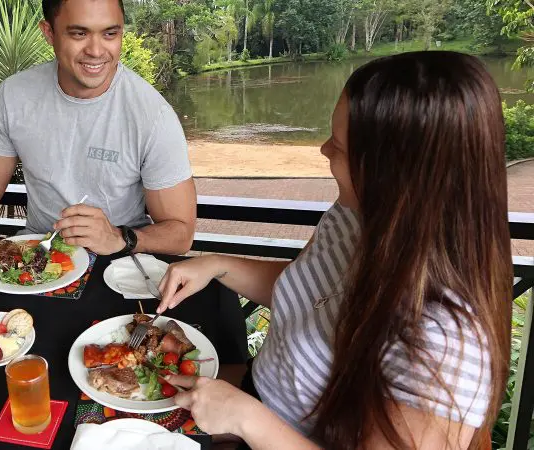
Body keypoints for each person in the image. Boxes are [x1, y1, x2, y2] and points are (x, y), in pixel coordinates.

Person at [156, 52, 512, 449]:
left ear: (391, 172)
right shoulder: (353, 214)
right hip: (250, 398)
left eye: (339, 148)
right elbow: (311, 293)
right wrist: (219, 265)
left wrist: (247, 420)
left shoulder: (447, 345)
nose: (324, 150)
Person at [0, 0, 196, 263]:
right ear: (49, 33)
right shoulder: (14, 96)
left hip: (117, 263)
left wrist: (119, 238)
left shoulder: (153, 116)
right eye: (79, 33)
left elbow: (181, 233)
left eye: (110, 33)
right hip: (36, 255)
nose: (96, 50)